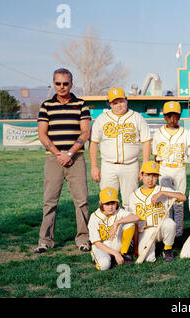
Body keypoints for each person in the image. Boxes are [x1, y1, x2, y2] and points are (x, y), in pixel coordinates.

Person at [35, 68, 91, 253]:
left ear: (71, 84)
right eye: (58, 83)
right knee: (50, 202)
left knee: (81, 201)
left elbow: (85, 132)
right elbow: (42, 134)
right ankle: (45, 241)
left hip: (77, 158)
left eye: (65, 83)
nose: (62, 87)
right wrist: (59, 153)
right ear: (53, 83)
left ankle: (84, 239)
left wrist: (70, 153)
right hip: (53, 160)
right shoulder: (46, 105)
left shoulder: (81, 104)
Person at [109, 161, 186, 262]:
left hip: (162, 228)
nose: (150, 179)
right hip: (145, 231)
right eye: (147, 175)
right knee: (149, 259)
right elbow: (134, 222)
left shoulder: (162, 189)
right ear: (141, 175)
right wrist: (136, 247)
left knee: (170, 223)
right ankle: (150, 249)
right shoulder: (134, 195)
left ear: (158, 177)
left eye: (154, 176)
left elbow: (183, 197)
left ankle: (167, 250)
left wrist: (162, 193)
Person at [89, 87, 151, 210]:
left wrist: (144, 165)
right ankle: (109, 228)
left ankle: (130, 228)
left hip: (130, 165)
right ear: (110, 104)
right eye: (114, 103)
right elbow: (94, 143)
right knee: (107, 201)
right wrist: (94, 166)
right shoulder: (102, 118)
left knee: (131, 202)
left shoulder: (137, 117)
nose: (119, 105)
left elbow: (146, 141)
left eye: (121, 101)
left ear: (126, 100)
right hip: (108, 166)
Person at [151, 101, 188, 238]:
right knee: (166, 202)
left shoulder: (186, 133)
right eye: (169, 116)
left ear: (179, 116)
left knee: (179, 203)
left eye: (175, 116)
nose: (172, 119)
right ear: (164, 117)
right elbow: (156, 157)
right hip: (164, 169)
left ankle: (178, 233)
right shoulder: (158, 134)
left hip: (179, 168)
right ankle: (167, 232)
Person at [88, 187, 135, 270]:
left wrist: (117, 223)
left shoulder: (119, 211)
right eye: (107, 204)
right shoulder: (94, 217)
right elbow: (97, 244)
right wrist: (115, 253)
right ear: (100, 203)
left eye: (113, 203)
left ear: (117, 203)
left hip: (115, 242)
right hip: (102, 246)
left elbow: (135, 217)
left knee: (129, 223)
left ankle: (124, 254)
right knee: (104, 265)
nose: (110, 207)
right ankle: (110, 257)